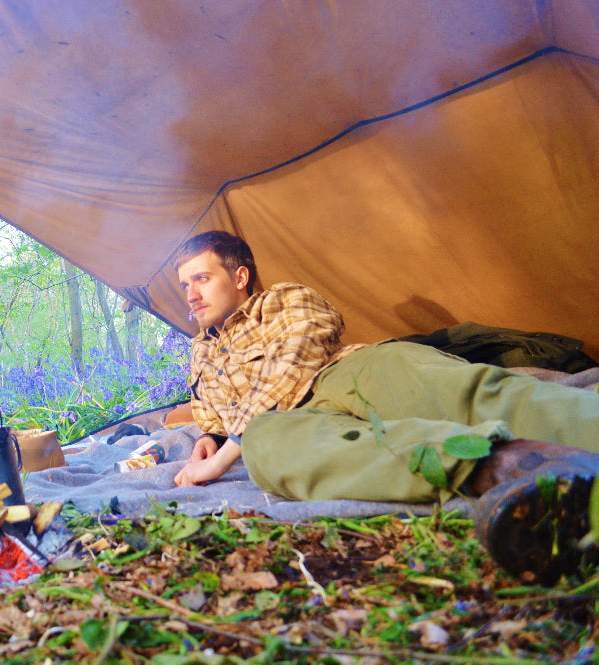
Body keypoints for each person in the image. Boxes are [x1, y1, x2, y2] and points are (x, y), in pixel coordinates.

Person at [172, 230, 599, 584]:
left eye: (201, 279)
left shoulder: (282, 300)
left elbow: (296, 361)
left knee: (463, 392)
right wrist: (208, 440)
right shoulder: (199, 353)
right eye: (184, 285)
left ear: (240, 276)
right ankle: (516, 468)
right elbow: (211, 415)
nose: (190, 294)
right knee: (266, 448)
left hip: (346, 373)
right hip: (288, 423)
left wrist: (225, 454)